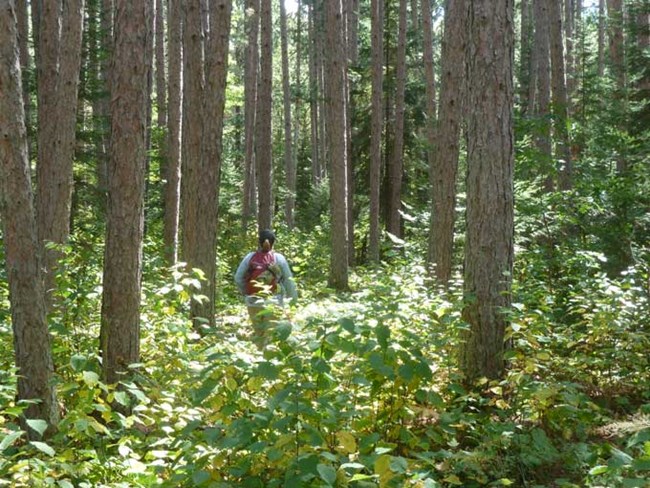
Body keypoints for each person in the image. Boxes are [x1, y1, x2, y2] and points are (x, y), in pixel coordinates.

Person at [234, 229, 297, 345]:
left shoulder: (249, 257)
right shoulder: (279, 258)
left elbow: (238, 278)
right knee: (270, 336)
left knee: (259, 334)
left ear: (259, 242)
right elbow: (289, 281)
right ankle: (268, 359)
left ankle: (258, 358)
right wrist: (293, 301)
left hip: (253, 301)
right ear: (274, 242)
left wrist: (247, 292)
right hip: (273, 302)